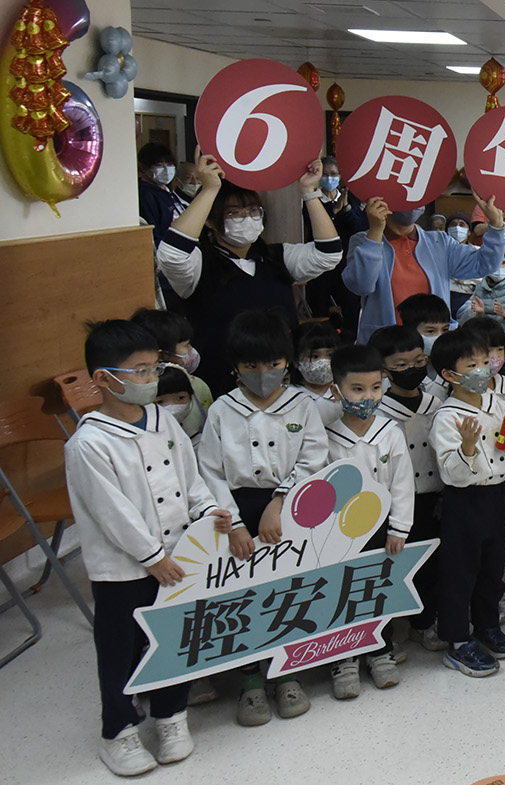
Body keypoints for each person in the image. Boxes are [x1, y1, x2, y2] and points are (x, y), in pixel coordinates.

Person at [64, 320, 231, 777]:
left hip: (180, 557)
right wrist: (152, 558)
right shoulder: (89, 442)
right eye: (138, 371)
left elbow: (190, 477)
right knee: (122, 647)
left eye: (153, 368)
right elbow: (111, 512)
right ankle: (117, 731)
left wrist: (210, 511)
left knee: (174, 637)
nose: (150, 379)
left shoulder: (162, 421)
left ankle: (170, 715)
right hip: (124, 568)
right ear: (103, 379)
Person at [195, 309, 328, 725]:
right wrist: (233, 523)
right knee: (241, 597)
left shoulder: (303, 405)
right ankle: (251, 681)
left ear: (287, 362)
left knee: (286, 591)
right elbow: (211, 471)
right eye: (252, 365)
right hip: (235, 511)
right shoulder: (221, 410)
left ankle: (286, 674)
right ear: (235, 366)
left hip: (289, 507)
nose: (263, 373)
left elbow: (314, 457)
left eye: (272, 363)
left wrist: (280, 501)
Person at [156, 150, 341, 395]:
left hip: (283, 382)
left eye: (254, 211)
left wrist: (309, 191)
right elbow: (171, 254)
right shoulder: (200, 264)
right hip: (223, 384)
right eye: (234, 213)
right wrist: (210, 190)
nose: (247, 219)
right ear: (211, 221)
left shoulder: (276, 257)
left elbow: (329, 253)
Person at [428, 329, 505, 677]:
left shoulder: (499, 403)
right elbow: (451, 474)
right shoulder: (447, 417)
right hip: (465, 500)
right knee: (461, 570)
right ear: (449, 375)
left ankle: (488, 624)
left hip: (498, 494)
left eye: (484, 361)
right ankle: (458, 641)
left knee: (493, 565)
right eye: (470, 364)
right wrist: (468, 447)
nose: (482, 369)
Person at [323, 344, 412, 698]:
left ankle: (379, 649)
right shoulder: (327, 436)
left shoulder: (390, 431)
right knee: (340, 592)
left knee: (378, 590)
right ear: (336, 390)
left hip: (381, 532)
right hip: (336, 535)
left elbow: (403, 484)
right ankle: (344, 658)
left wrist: (399, 527)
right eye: (357, 389)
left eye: (375, 388)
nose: (368, 397)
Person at [370, 324, 446, 652]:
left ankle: (424, 622)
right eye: (400, 366)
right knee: (393, 566)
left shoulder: (437, 402)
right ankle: (386, 631)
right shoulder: (377, 410)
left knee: (431, 565)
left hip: (435, 495)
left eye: (418, 361)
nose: (411, 370)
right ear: (383, 369)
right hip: (396, 504)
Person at [343, 193, 505, 344]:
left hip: (432, 343)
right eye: (403, 195)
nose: (411, 203)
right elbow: (361, 285)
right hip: (386, 346)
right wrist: (376, 233)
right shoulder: (363, 241)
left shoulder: (439, 242)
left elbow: (485, 264)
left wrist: (496, 227)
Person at [302, 156, 361, 335]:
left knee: (350, 303)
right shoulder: (313, 200)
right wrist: (334, 213)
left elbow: (359, 227)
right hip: (320, 262)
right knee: (319, 302)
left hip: (346, 260)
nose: (330, 178)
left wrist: (347, 210)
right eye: (325, 174)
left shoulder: (350, 198)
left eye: (334, 174)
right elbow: (310, 224)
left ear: (340, 176)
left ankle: (349, 338)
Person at [129, 308, 212, 427]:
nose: (191, 351)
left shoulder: (198, 386)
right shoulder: (139, 396)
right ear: (161, 355)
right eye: (186, 345)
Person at [291, 321, 341, 427]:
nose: (323, 362)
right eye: (314, 356)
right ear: (296, 361)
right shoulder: (290, 396)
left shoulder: (346, 392)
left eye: (330, 355)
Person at [137, 142, 184, 244]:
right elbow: (154, 233)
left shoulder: (166, 191)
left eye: (169, 164)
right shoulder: (145, 195)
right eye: (159, 165)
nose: (166, 169)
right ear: (144, 167)